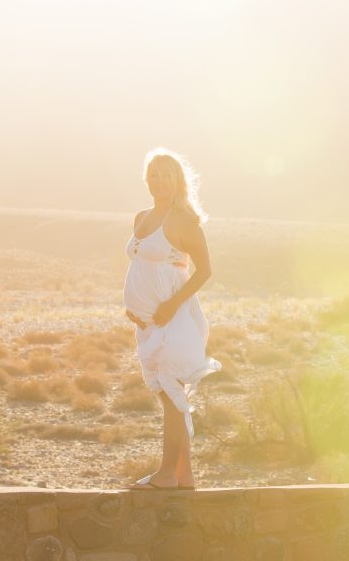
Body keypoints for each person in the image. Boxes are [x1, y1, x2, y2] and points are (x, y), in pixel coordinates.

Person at [122, 147, 220, 490]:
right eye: (153, 174)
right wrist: (137, 307)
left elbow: (204, 270)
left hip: (175, 318)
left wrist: (171, 305)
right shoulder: (141, 217)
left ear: (177, 180)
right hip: (148, 323)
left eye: (165, 174)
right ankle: (184, 475)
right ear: (146, 179)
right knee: (168, 396)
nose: (159, 180)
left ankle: (167, 474)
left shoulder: (183, 220)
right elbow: (141, 267)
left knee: (172, 391)